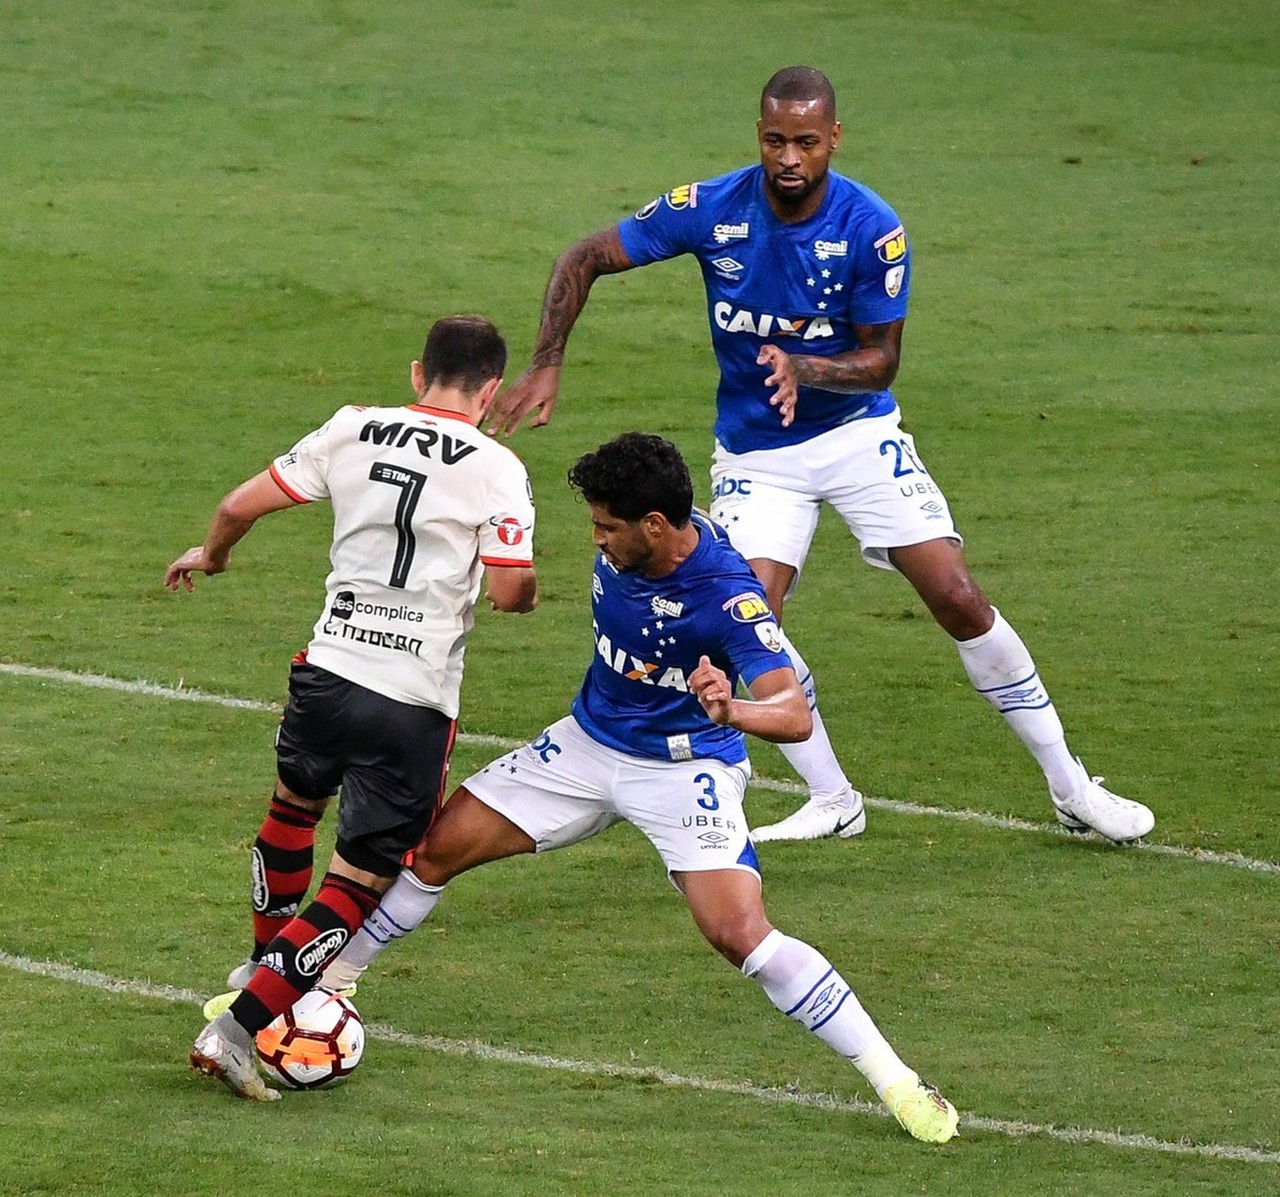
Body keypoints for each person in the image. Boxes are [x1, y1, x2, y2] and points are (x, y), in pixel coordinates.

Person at [483, 65, 1154, 846]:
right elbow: (585, 256)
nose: (789, 158)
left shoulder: (871, 227)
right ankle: (833, 797)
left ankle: (1072, 787)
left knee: (957, 594)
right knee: (747, 619)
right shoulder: (711, 209)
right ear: (758, 135)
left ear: (834, 137)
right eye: (775, 140)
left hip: (856, 436)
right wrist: (547, 360)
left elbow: (883, 360)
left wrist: (805, 367)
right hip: (757, 453)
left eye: (806, 141)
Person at [304, 432, 958, 1142]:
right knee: (433, 850)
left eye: (606, 526)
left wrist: (731, 711)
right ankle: (324, 988)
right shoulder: (641, 540)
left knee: (740, 933)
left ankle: (897, 1081)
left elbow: (793, 713)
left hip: (685, 770)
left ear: (652, 526)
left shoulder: (726, 597)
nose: (596, 539)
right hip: (584, 747)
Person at [168, 315, 538, 1102]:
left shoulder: (352, 427)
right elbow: (511, 590)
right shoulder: (497, 467)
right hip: (411, 699)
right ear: (492, 389)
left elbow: (237, 505)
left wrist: (213, 555)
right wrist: (522, 590)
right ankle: (236, 1031)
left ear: (418, 374)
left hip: (329, 670)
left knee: (291, 810)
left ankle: (264, 965)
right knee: (360, 880)